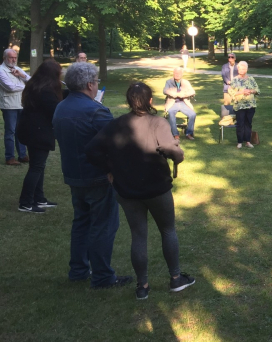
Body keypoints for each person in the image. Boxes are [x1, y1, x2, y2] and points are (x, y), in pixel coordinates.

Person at [85, 82, 194, 300]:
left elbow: (91, 150)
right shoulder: (158, 123)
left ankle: (142, 287)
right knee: (168, 230)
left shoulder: (116, 124)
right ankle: (175, 279)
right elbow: (174, 152)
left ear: (128, 102)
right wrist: (177, 152)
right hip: (157, 189)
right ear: (150, 101)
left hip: (126, 190)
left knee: (138, 235)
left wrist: (109, 169)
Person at [52, 62, 132, 288]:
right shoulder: (95, 111)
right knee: (103, 226)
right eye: (96, 82)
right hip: (98, 177)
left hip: (73, 175)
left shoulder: (61, 107)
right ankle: (103, 276)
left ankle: (78, 270)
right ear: (89, 84)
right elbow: (119, 142)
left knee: (81, 223)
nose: (97, 86)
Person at [16, 60, 63, 213]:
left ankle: (39, 198)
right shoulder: (46, 91)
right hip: (38, 132)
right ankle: (26, 202)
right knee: (36, 167)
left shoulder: (35, 86)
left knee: (38, 166)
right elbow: (55, 110)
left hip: (31, 130)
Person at [0, 48, 30, 165]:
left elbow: (32, 81)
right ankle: (10, 157)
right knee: (10, 132)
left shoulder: (18, 69)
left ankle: (22, 155)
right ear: (4, 58)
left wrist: (22, 75)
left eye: (15, 57)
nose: (13, 60)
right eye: (11, 57)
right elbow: (10, 88)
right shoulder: (1, 70)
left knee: (20, 131)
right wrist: (25, 86)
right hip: (9, 106)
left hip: (21, 104)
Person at [228, 61, 260, 149]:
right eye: (240, 68)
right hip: (239, 106)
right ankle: (239, 142)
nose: (241, 70)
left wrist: (250, 91)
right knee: (240, 123)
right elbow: (231, 91)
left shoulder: (251, 79)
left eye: (243, 68)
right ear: (238, 69)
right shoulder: (234, 80)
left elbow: (257, 90)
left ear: (246, 69)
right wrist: (241, 92)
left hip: (250, 105)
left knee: (248, 123)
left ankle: (248, 141)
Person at [163, 67, 196, 141]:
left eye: (178, 73)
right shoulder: (169, 82)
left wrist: (183, 95)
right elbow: (165, 90)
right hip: (172, 103)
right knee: (171, 113)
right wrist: (175, 94)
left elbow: (192, 92)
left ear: (181, 74)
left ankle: (188, 133)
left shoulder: (185, 82)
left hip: (184, 103)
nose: (176, 75)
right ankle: (175, 134)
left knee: (193, 114)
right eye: (175, 73)